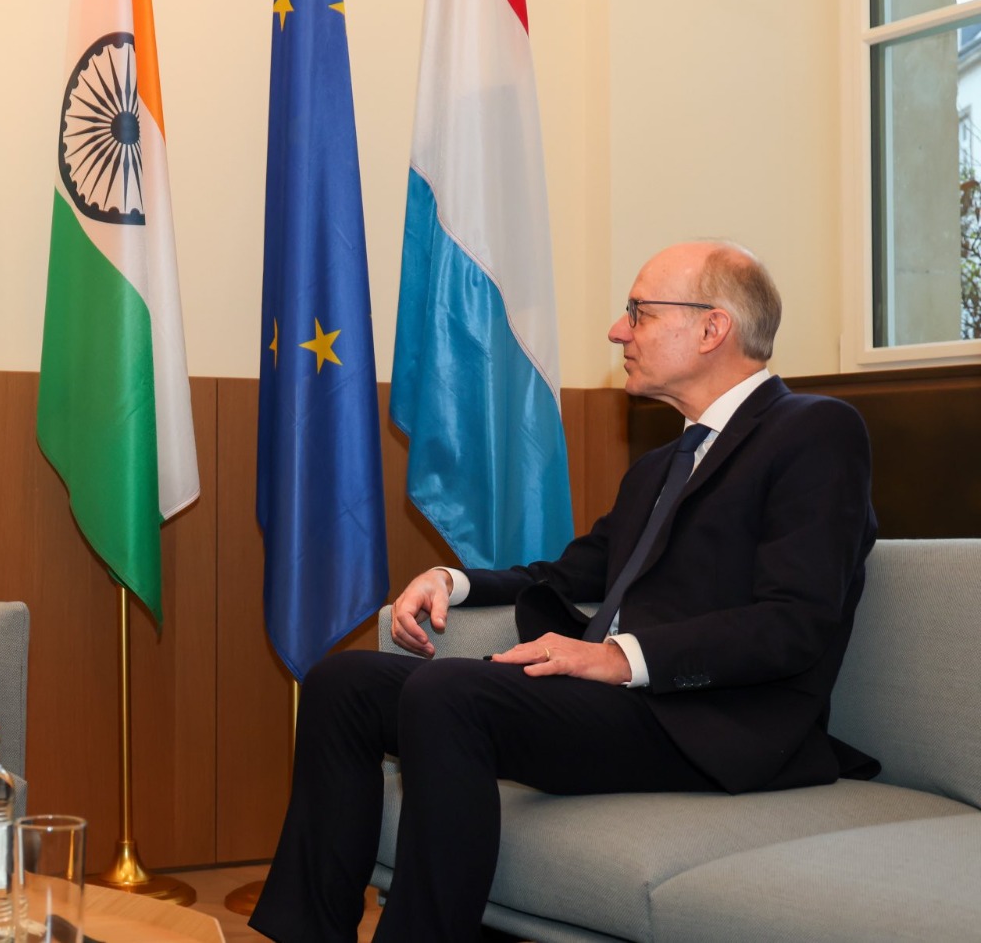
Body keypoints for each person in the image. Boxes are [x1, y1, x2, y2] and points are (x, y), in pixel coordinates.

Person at [249, 241, 878, 942]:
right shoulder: (660, 466)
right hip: (619, 709)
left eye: (639, 312)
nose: (617, 331)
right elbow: (571, 571)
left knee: (449, 692)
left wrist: (618, 657)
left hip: (710, 721)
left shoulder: (815, 431)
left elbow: (795, 622)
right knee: (344, 682)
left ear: (712, 328)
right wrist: (452, 580)